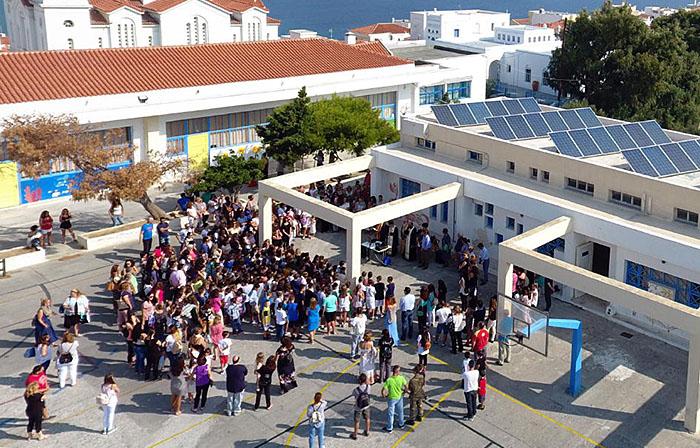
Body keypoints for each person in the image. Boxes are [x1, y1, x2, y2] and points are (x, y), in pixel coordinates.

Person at [382, 365, 407, 433]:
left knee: (391, 414)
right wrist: (404, 393)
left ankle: (390, 428)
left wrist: (384, 396)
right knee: (400, 411)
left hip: (391, 398)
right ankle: (401, 424)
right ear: (397, 371)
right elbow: (406, 387)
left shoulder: (389, 380)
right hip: (399, 397)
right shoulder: (401, 378)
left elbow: (383, 390)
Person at [351, 373, 371, 439]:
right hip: (366, 405)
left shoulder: (356, 390)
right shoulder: (368, 387)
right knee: (367, 418)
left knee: (357, 421)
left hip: (358, 407)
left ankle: (355, 434)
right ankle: (367, 431)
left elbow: (353, 395)